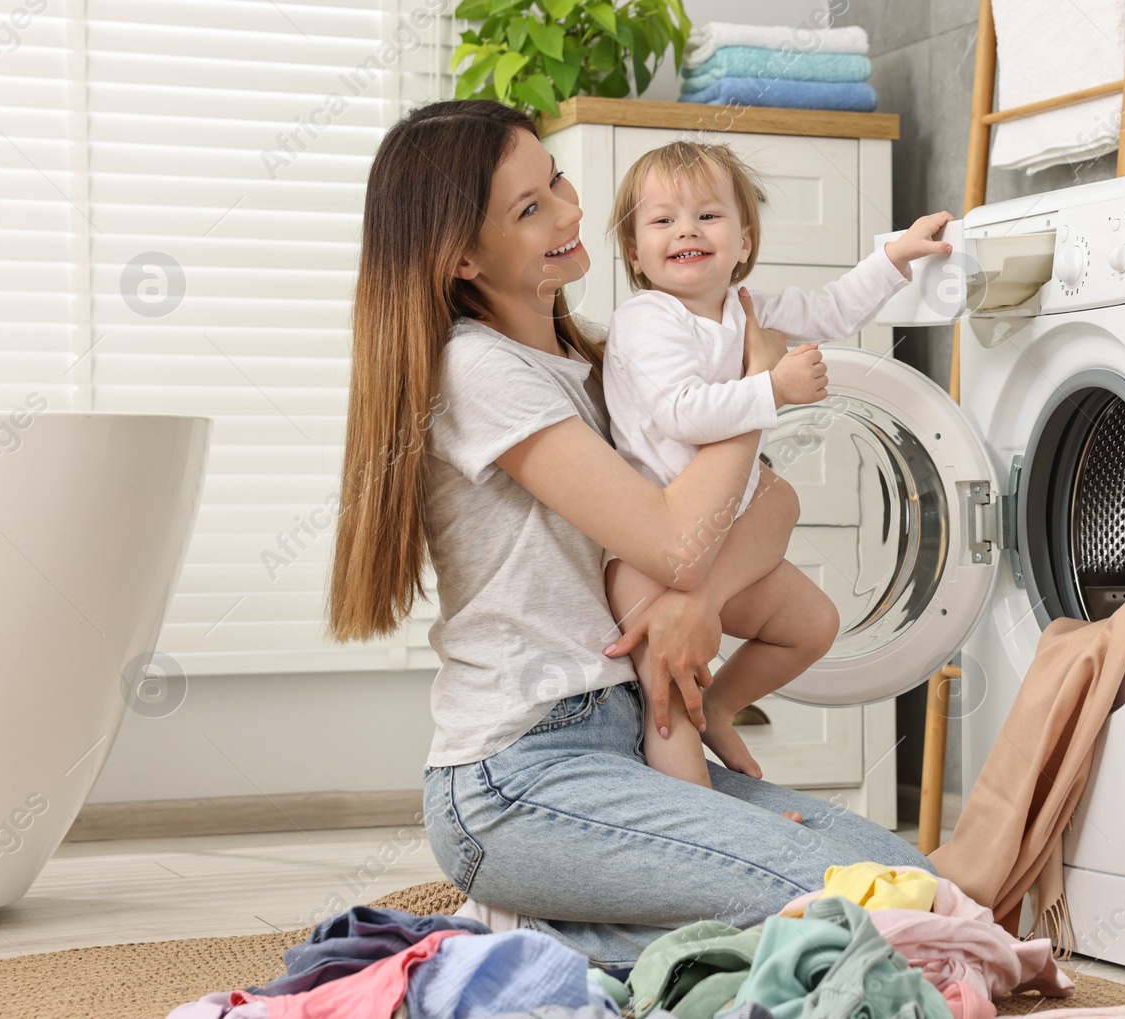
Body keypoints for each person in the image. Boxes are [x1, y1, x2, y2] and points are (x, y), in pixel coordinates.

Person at [326, 99, 936, 972]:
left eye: (558, 181)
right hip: (519, 775)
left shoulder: (599, 364)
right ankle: (521, 929)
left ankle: (553, 927)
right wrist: (758, 385)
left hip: (623, 743)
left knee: (903, 881)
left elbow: (774, 507)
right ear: (461, 257)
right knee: (863, 913)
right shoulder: (479, 370)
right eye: (530, 208)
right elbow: (679, 538)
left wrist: (700, 600)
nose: (572, 212)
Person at [601, 140, 954, 789]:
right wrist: (774, 387)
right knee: (669, 696)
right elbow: (682, 410)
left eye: (707, 215)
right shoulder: (646, 320)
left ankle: (725, 706)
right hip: (653, 549)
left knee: (813, 625)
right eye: (662, 220)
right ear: (633, 252)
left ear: (743, 240)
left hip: (728, 536)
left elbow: (832, 310)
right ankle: (699, 824)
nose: (686, 229)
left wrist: (894, 256)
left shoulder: (748, 308)